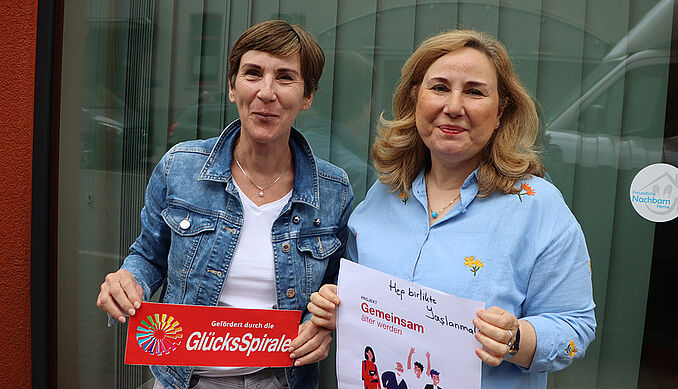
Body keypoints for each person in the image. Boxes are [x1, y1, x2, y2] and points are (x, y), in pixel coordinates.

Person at [307, 29, 596, 388]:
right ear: (415, 98)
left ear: (501, 109)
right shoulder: (382, 195)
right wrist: (334, 306)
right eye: (440, 87)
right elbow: (351, 295)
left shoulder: (538, 208)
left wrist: (516, 338)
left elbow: (575, 329)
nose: (454, 106)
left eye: (474, 91)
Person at [95, 20, 354, 389]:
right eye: (252, 73)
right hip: (184, 377)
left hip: (281, 380)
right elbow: (149, 255)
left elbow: (336, 286)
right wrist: (127, 279)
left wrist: (326, 319)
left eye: (285, 77)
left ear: (307, 96)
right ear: (232, 86)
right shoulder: (180, 167)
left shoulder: (333, 190)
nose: (266, 92)